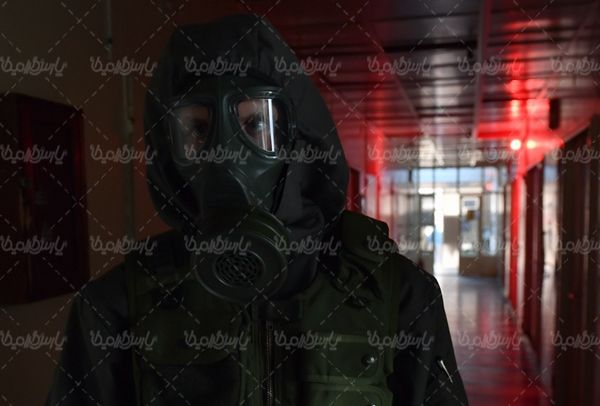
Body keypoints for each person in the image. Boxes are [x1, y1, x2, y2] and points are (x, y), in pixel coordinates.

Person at [45, 13, 468, 406]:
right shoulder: (118, 307)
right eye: (198, 129)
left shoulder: (397, 295)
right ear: (170, 153)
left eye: (255, 124)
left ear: (298, 142)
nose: (226, 155)